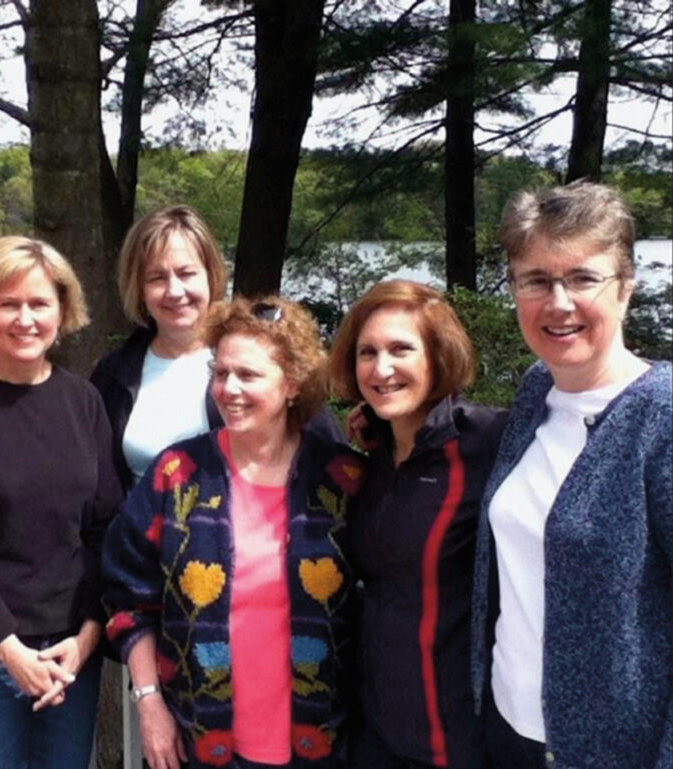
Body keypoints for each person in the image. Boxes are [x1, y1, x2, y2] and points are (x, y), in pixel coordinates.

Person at [102, 297, 364, 769]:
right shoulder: (177, 475)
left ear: (292, 385)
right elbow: (126, 598)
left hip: (323, 743)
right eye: (220, 373)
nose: (230, 389)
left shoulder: (341, 480)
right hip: (198, 740)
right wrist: (149, 703)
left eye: (248, 375)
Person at [470, 181, 672, 769]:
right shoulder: (537, 392)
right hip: (508, 734)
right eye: (535, 280)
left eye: (583, 278)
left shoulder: (660, 418)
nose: (557, 302)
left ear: (626, 289)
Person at [0, 236, 123, 769]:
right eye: (9, 303)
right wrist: (8, 649)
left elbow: (105, 528)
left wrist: (87, 636)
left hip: (70, 651)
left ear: (63, 309)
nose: (25, 319)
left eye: (39, 303)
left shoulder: (83, 400)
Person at [327, 281, 507, 769]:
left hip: (460, 740)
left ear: (438, 355)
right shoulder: (376, 458)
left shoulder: (492, 443)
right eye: (367, 352)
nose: (381, 369)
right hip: (374, 732)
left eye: (400, 349)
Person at [90, 204, 228, 494]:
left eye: (186, 273)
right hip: (138, 537)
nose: (174, 291)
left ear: (210, 275)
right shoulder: (114, 375)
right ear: (138, 288)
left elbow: (320, 453)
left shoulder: (254, 361)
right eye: (157, 278)